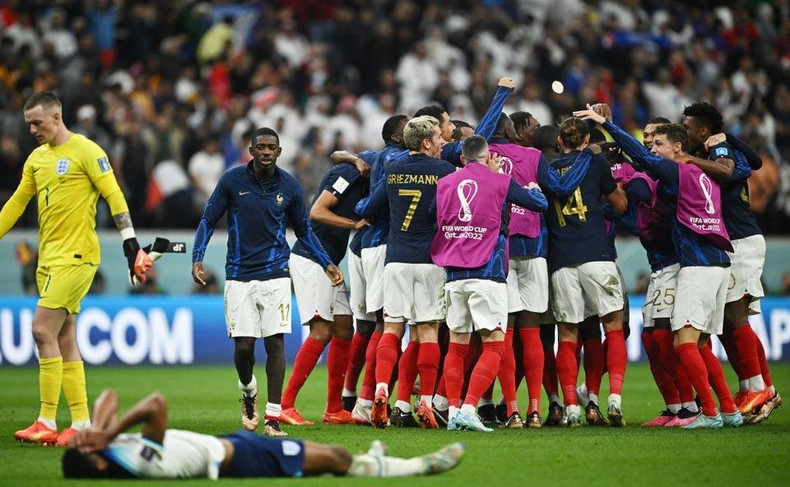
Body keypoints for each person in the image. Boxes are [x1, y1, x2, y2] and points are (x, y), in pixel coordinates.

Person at [578, 106, 743, 428]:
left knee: (684, 342)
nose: (652, 149)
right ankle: (710, 408)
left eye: (658, 143)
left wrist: (608, 125)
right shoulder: (703, 174)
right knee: (677, 340)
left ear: (677, 148)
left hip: (691, 263)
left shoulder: (676, 171)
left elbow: (641, 158)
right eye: (650, 142)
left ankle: (705, 411)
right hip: (712, 261)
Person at [4, 91, 152, 447]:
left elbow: (114, 195)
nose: (33, 130)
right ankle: (82, 421)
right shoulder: (36, 159)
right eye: (29, 125)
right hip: (48, 259)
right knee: (65, 336)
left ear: (57, 118)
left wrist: (130, 242)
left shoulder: (87, 151)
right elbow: (16, 204)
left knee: (42, 330)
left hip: (78, 257)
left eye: (37, 123)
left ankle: (45, 419)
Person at [191, 127, 343, 437]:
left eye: (270, 147)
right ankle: (248, 391)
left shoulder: (289, 186)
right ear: (250, 149)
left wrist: (326, 262)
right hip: (239, 275)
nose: (265, 151)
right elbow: (208, 218)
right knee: (244, 348)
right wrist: (198, 256)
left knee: (276, 343)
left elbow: (304, 231)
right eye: (259, 146)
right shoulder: (232, 181)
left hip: (276, 274)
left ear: (279, 151)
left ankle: (273, 418)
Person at [62, 388, 465, 479]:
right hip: (242, 460)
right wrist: (107, 431)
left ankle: (375, 461)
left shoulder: (111, 451)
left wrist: (98, 431)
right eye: (84, 443)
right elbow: (155, 404)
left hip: (229, 445)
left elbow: (109, 395)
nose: (83, 435)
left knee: (335, 454)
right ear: (97, 460)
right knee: (336, 460)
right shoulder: (136, 462)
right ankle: (417, 467)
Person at [432, 135, 547, 432]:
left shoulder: (445, 182)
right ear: (487, 157)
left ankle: (454, 410)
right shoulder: (500, 181)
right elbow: (539, 203)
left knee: (457, 347)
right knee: (494, 346)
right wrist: (525, 185)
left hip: (453, 275)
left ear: (461, 158)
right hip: (487, 272)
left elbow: (438, 217)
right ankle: (470, 407)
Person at [356, 115, 458, 429]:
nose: (443, 142)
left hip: (396, 260)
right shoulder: (445, 171)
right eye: (439, 137)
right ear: (426, 142)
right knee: (427, 331)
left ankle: (382, 388)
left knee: (391, 329)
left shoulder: (393, 170)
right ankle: (425, 402)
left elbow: (367, 208)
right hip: (430, 260)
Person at [682, 102, 778, 422]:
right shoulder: (718, 152)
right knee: (730, 317)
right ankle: (762, 388)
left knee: (734, 314)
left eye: (687, 128)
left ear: (703, 132)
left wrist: (714, 146)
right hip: (732, 241)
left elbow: (744, 165)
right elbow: (755, 160)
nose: (684, 133)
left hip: (741, 240)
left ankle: (756, 386)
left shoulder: (722, 156)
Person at [537, 116, 628, 427]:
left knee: (567, 335)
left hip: (561, 258)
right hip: (597, 254)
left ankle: (571, 408)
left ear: (561, 142)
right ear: (587, 142)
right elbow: (620, 206)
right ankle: (612, 398)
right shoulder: (596, 162)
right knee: (612, 328)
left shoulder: (547, 169)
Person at [279, 147, 369, 426]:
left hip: (330, 262)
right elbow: (317, 211)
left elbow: (337, 153)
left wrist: (351, 157)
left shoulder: (358, 168)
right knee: (321, 330)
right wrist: (353, 224)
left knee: (344, 328)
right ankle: (285, 405)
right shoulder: (348, 175)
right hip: (312, 258)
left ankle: (333, 410)